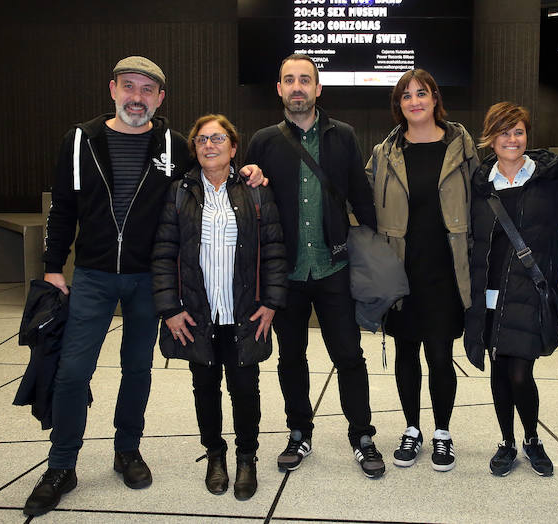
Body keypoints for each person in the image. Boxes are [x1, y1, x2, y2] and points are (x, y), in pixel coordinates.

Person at [27, 56, 191, 516]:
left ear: (160, 99)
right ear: (113, 90)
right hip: (94, 275)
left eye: (147, 90)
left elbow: (205, 183)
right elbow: (62, 207)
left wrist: (248, 172)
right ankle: (61, 465)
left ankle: (127, 450)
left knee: (137, 368)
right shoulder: (81, 140)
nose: (136, 98)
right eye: (129, 87)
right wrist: (53, 265)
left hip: (147, 277)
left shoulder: (174, 146)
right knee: (73, 372)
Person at [244, 54, 385, 478]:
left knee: (349, 355)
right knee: (291, 358)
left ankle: (362, 434)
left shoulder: (343, 136)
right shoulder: (263, 141)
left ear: (318, 89)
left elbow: (361, 195)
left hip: (334, 267)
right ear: (279, 89)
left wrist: (379, 250)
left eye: (305, 79)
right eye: (289, 80)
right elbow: (248, 199)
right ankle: (299, 432)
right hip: (284, 274)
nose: (298, 87)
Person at [151, 114, 287, 501]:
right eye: (202, 140)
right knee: (204, 388)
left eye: (218, 138)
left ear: (233, 146)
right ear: (194, 149)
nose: (209, 145)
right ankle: (215, 454)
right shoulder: (179, 193)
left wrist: (272, 303)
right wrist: (170, 309)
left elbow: (274, 252)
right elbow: (163, 255)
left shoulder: (256, 191)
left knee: (245, 389)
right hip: (196, 315)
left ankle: (247, 457)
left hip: (243, 314)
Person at [366, 69, 478, 472]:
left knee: (440, 354)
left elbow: (483, 201)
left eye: (422, 93)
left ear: (435, 99)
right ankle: (412, 429)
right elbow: (361, 199)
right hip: (400, 269)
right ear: (399, 105)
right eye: (406, 96)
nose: (414, 101)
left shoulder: (461, 147)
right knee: (405, 352)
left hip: (446, 269)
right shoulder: (385, 152)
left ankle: (443, 433)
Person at [464, 102, 558, 478]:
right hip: (490, 294)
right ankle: (506, 442)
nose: (512, 139)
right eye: (504, 132)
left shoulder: (548, 177)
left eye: (518, 131)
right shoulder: (479, 184)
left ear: (527, 136)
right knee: (499, 370)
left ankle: (532, 439)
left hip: (529, 291)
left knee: (521, 373)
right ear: (491, 138)